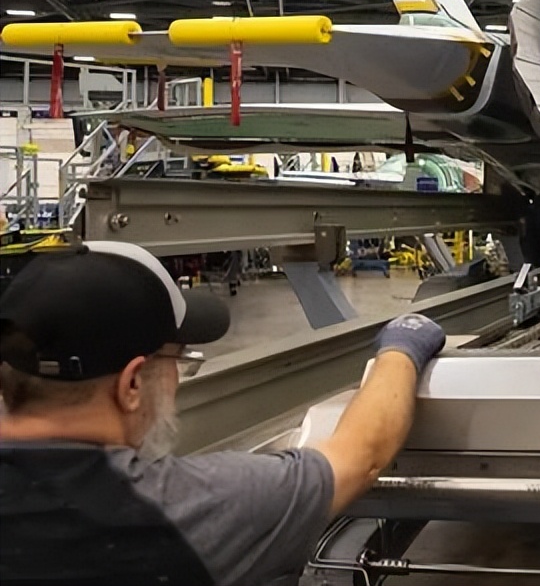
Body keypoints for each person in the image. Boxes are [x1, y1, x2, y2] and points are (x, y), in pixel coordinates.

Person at [0, 241, 447, 585]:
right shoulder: (190, 508)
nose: (177, 380)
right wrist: (401, 347)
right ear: (132, 385)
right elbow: (362, 453)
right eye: (176, 360)